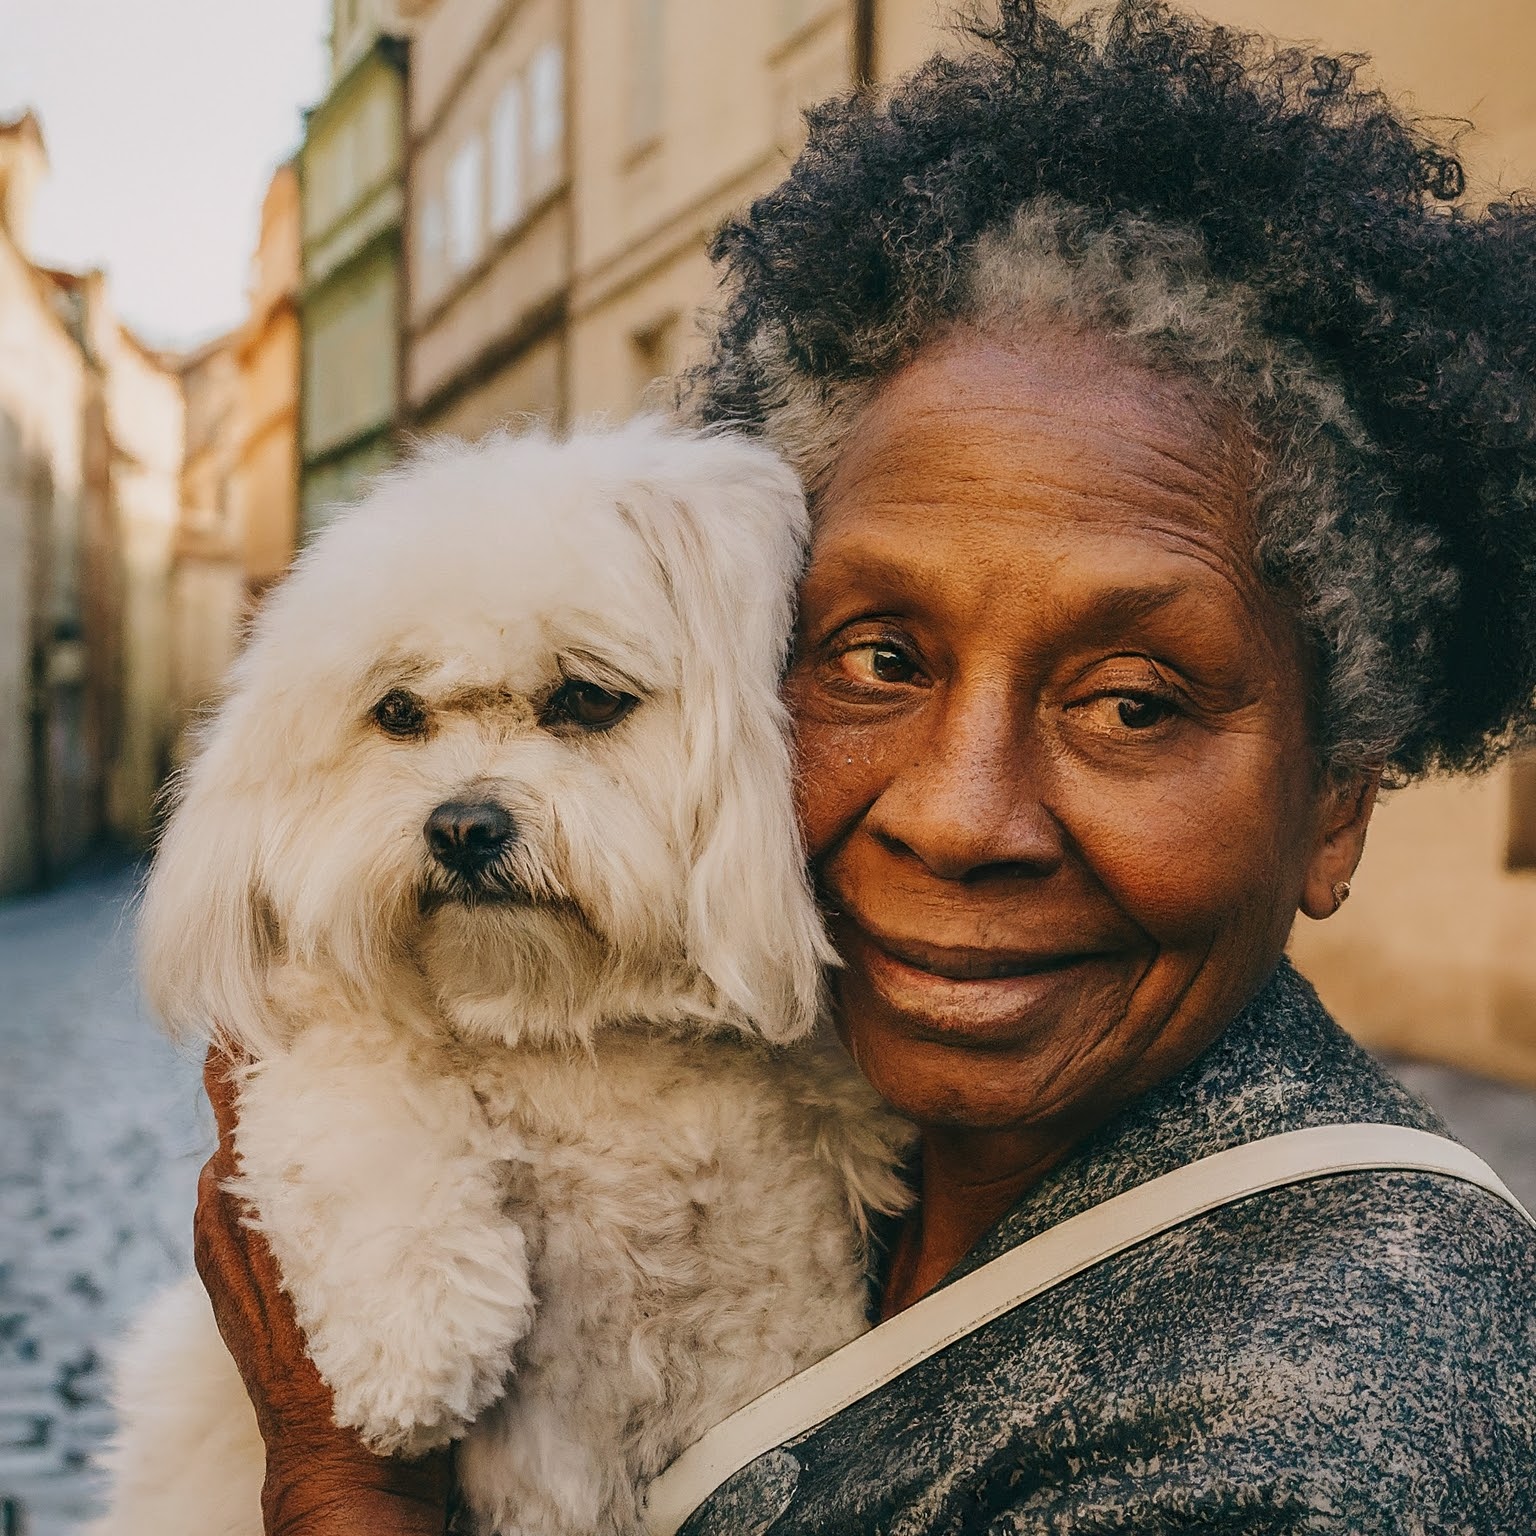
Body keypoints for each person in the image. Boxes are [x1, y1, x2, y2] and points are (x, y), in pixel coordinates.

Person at [191, 3, 1536, 1531]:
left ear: (1337, 799)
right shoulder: (790, 1096)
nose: (959, 816)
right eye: (880, 659)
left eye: (1133, 703)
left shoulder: (1317, 1429)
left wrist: (341, 1478)